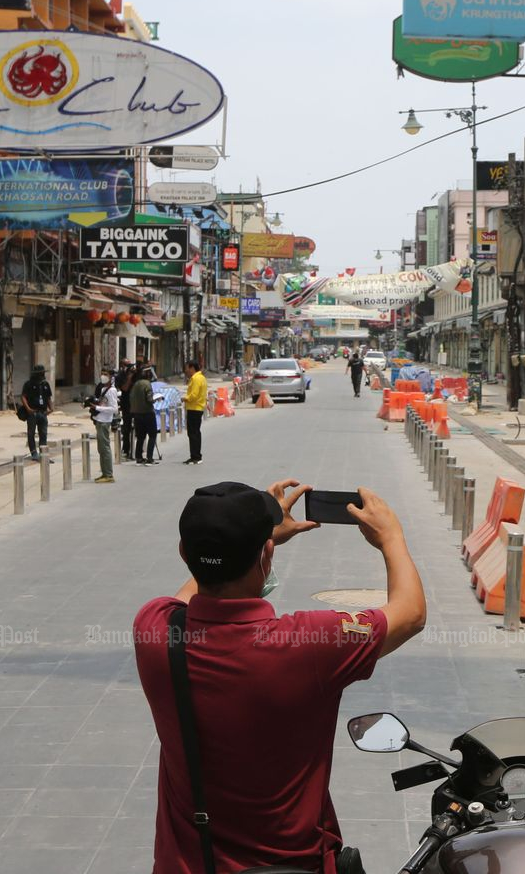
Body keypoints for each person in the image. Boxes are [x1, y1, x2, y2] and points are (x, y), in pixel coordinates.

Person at [134, 480, 425, 874]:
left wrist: (251, 544)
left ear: (184, 553)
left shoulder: (153, 630)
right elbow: (409, 614)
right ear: (265, 557)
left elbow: (192, 594)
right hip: (292, 865)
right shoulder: (311, 643)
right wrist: (391, 536)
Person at [90, 370, 119, 483]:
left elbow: (114, 409)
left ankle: (108, 474)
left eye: (106, 374)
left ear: (111, 377)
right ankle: (104, 473)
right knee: (101, 449)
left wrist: (97, 408)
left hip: (104, 421)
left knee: (105, 448)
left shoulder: (111, 390)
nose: (103, 376)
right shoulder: (103, 389)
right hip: (99, 420)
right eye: (102, 374)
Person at [19, 364, 52, 458]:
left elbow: (48, 398)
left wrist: (51, 408)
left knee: (43, 433)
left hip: (43, 412)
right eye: (40, 374)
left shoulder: (45, 384)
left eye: (42, 373)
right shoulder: (28, 384)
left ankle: (43, 453)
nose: (42, 376)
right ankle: (34, 452)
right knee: (31, 433)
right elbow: (23, 397)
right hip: (33, 412)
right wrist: (28, 409)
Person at [130, 366, 159, 465]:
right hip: (148, 413)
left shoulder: (135, 385)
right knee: (152, 435)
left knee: (140, 437)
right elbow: (149, 399)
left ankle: (139, 457)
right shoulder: (147, 384)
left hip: (137, 414)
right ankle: (149, 457)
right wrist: (157, 399)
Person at [183, 359, 207, 466]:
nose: (186, 370)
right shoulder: (200, 377)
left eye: (187, 368)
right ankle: (194, 456)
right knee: (194, 433)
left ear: (192, 368)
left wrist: (185, 398)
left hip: (194, 408)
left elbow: (194, 395)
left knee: (193, 433)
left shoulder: (196, 379)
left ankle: (196, 456)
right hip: (197, 408)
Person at [115, 359, 136, 456]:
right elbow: (124, 388)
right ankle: (126, 449)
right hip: (126, 404)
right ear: (122, 365)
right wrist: (129, 377)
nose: (130, 367)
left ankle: (138, 449)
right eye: (127, 365)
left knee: (138, 426)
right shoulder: (120, 376)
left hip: (136, 403)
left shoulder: (135, 374)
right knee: (126, 427)